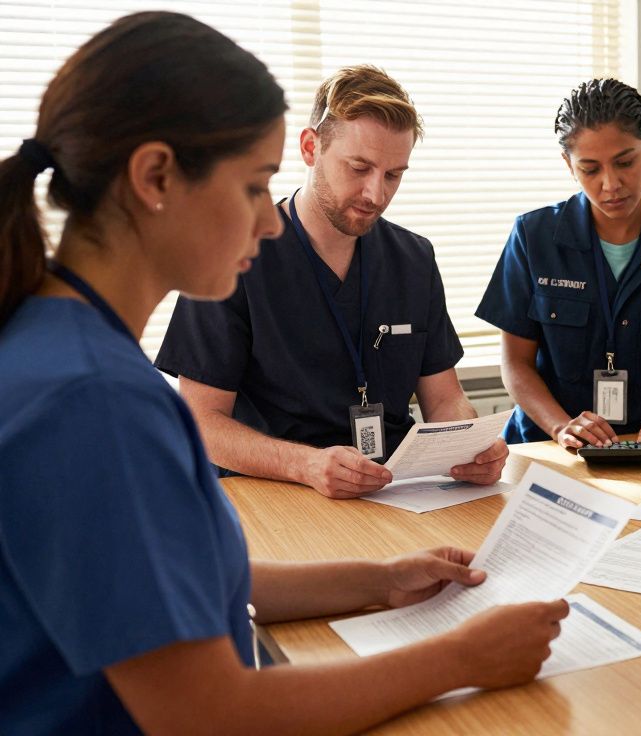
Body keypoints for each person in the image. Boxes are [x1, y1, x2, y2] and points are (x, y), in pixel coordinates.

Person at [0, 13, 566, 734]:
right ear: (154, 178)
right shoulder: (92, 401)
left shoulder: (65, 348)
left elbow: (188, 581)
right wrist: (460, 658)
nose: (270, 223)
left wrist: (380, 579)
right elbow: (208, 714)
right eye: (253, 186)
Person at [155, 64, 508, 499]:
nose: (376, 194)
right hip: (276, 495)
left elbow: (444, 399)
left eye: (393, 175)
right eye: (359, 168)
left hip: (392, 493)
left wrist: (471, 445)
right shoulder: (231, 256)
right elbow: (200, 421)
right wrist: (305, 464)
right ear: (311, 147)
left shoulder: (413, 259)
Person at [476, 79, 641, 452]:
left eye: (625, 162)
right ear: (569, 165)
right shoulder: (532, 237)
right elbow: (515, 364)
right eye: (590, 169)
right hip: (546, 447)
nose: (611, 184)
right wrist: (561, 427)